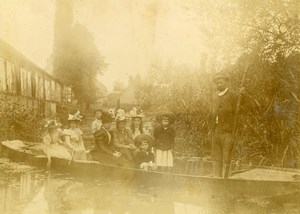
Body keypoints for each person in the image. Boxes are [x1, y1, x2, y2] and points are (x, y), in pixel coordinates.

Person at [208, 71, 245, 177]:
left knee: (226, 157)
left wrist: (242, 96)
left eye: (221, 82)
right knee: (216, 157)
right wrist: (210, 129)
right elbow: (210, 113)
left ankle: (226, 180)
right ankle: (217, 179)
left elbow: (241, 107)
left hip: (227, 131)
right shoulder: (214, 96)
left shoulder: (234, 96)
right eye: (217, 83)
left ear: (226, 83)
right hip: (215, 130)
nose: (218, 84)